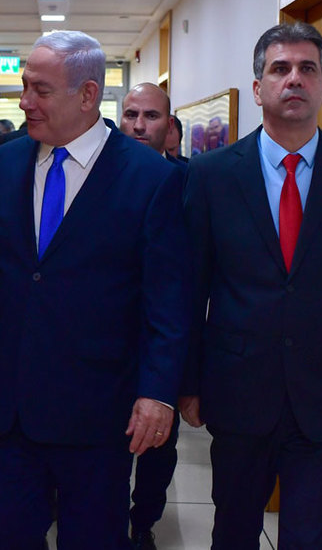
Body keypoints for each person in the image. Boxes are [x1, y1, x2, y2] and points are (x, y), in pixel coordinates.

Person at [0, 30, 191, 550]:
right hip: (11, 404)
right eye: (23, 86)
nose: (24, 102)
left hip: (99, 411)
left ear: (86, 95)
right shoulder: (8, 163)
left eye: (40, 89)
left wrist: (158, 392)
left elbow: (168, 302)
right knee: (8, 533)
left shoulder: (149, 177)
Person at [180, 22, 322, 549]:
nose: (294, 79)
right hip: (236, 392)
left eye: (307, 69)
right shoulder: (210, 176)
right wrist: (185, 382)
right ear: (258, 89)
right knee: (232, 531)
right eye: (280, 69)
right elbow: (189, 287)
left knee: (311, 537)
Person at [118, 81, 188, 549]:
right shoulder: (91, 175)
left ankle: (143, 520)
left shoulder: (190, 183)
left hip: (164, 340)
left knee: (159, 446)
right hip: (104, 344)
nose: (139, 126)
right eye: (131, 115)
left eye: (152, 117)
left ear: (170, 130)